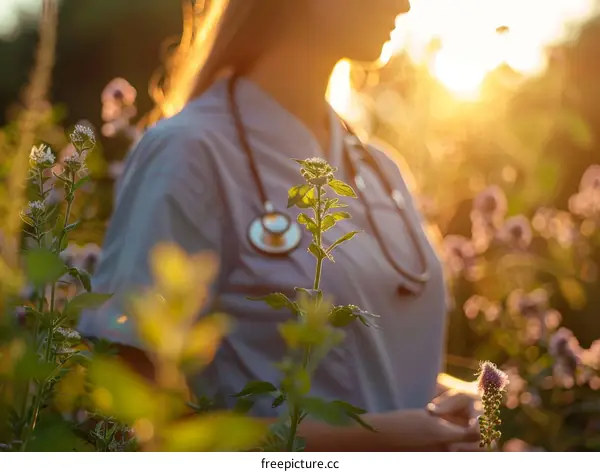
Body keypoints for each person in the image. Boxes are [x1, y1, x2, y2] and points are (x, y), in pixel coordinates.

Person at [78, 0, 483, 451]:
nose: (406, 4)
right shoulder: (190, 152)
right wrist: (380, 442)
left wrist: (447, 402)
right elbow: (141, 416)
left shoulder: (382, 170)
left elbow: (379, 373)